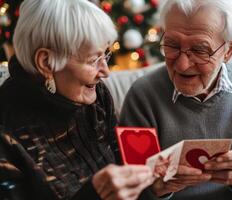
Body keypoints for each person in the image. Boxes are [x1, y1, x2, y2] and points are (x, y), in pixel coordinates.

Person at [120, 0, 232, 199]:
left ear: (229, 50)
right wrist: (156, 190)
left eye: (199, 50)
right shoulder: (142, 96)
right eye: (172, 44)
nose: (182, 64)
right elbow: (128, 193)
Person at [0, 0, 156, 199]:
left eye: (106, 55)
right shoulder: (6, 133)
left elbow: (125, 170)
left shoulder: (96, 95)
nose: (106, 72)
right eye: (93, 60)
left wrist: (154, 189)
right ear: (46, 62)